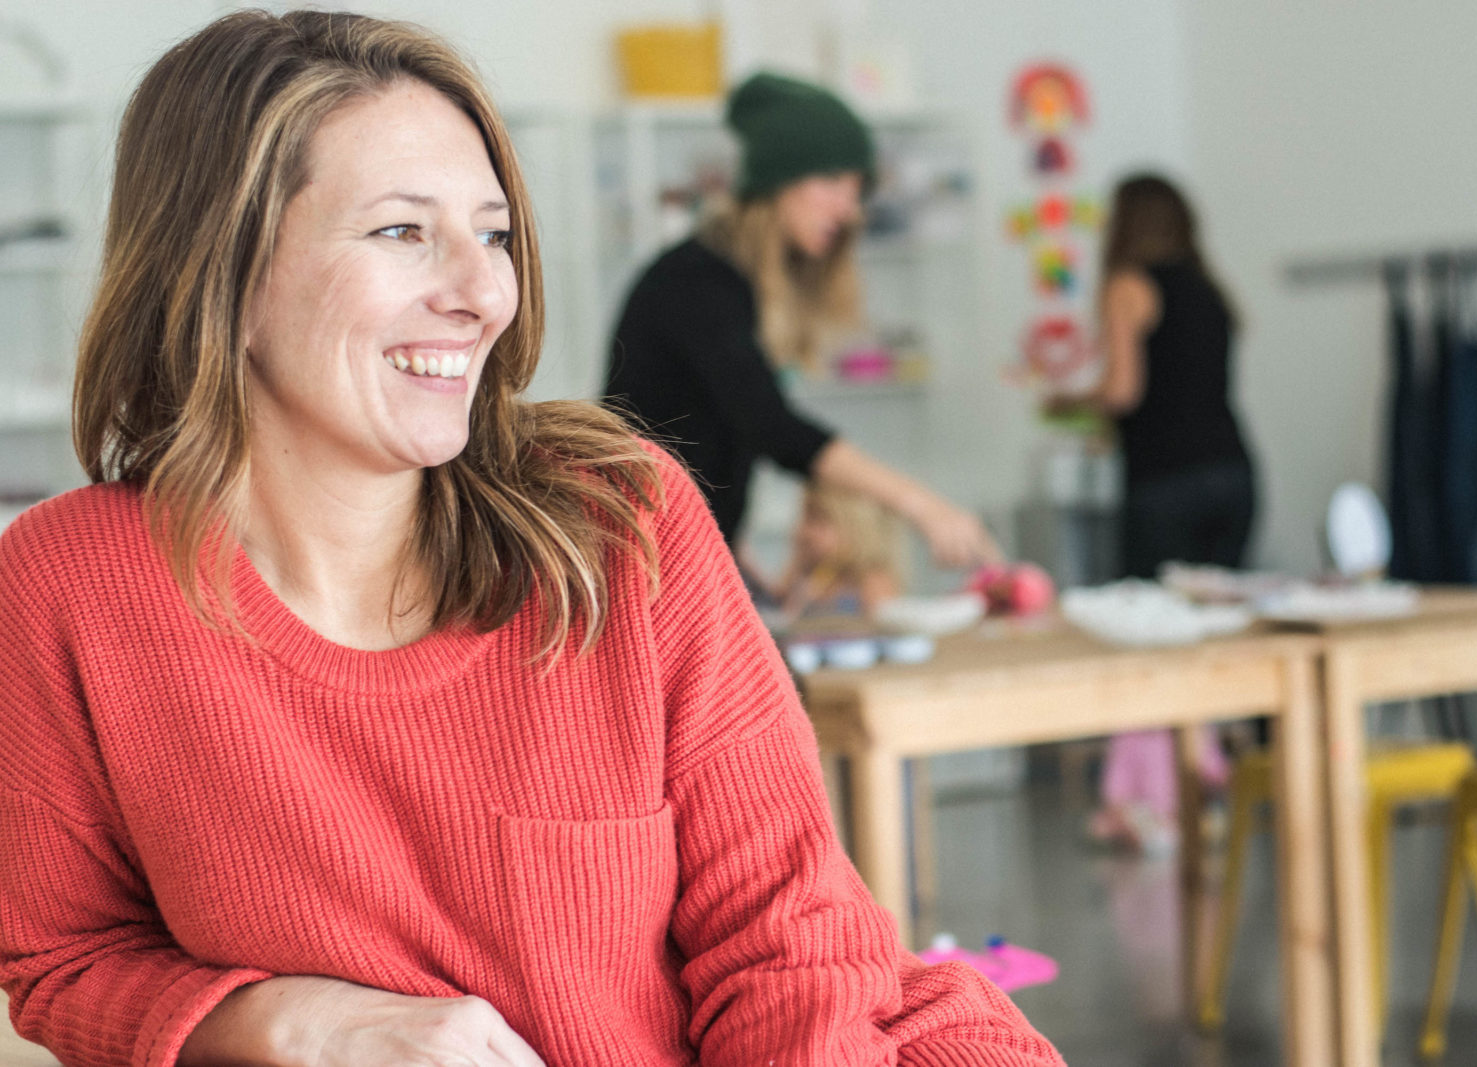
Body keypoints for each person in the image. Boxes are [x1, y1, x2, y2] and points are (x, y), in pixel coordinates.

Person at [0, 12, 1067, 1067]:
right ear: (220, 271)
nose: (482, 293)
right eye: (402, 230)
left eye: (495, 233)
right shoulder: (61, 588)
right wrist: (292, 1022)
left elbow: (789, 942)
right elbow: (61, 955)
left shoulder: (617, 518)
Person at [604, 72, 998, 573]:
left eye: (857, 190)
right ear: (776, 180)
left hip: (678, 557)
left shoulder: (732, 282)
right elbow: (773, 426)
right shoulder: (695, 282)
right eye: (833, 181)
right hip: (637, 559)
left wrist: (733, 550)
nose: (850, 210)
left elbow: (708, 433)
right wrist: (922, 505)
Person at [1069, 174, 1249, 851]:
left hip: (1166, 480)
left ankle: (1159, 797)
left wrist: (1068, 398)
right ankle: (1207, 776)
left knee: (1146, 634)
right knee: (1205, 631)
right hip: (1232, 474)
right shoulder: (1210, 289)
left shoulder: (1128, 284)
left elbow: (1123, 388)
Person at [774, 482, 904, 620]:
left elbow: (886, 631)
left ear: (856, 527)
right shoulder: (802, 577)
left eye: (817, 520)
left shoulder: (872, 581)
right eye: (804, 519)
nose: (804, 531)